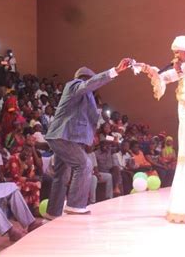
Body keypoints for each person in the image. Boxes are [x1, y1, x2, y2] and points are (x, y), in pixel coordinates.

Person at [44, 58, 131, 218]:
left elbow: (88, 120)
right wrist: (115, 71)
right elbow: (87, 85)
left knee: (62, 175)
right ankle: (75, 205)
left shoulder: (87, 97)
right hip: (63, 136)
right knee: (84, 164)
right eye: (91, 79)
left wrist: (108, 127)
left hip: (66, 138)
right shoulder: (75, 85)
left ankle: (53, 212)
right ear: (85, 78)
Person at [141, 36, 185, 223]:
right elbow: (169, 76)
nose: (176, 55)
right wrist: (154, 72)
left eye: (178, 52)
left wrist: (180, 73)